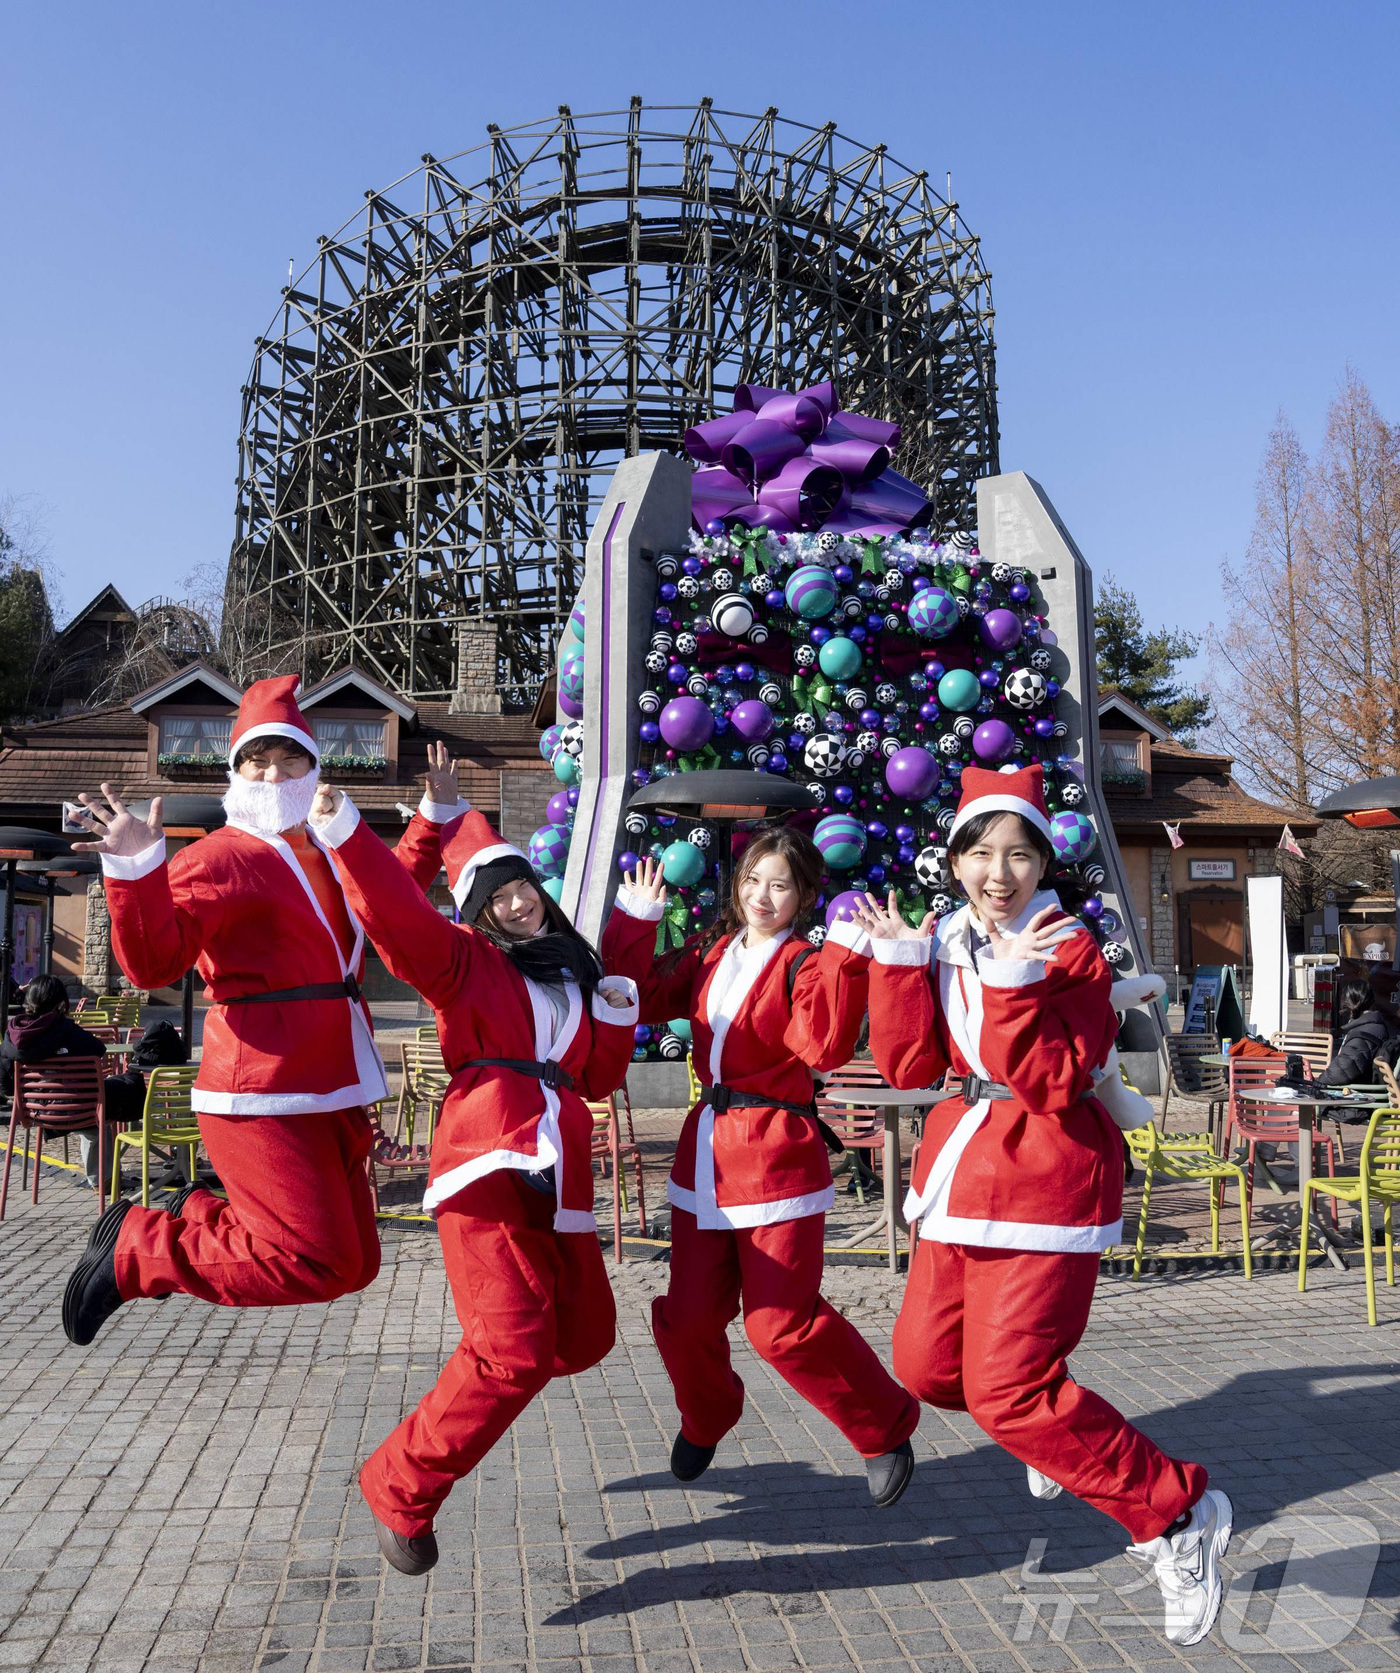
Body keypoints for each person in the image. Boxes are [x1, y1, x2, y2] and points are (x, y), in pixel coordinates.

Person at [852, 762, 1231, 1649]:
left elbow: (1056, 1081)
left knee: (1010, 1391)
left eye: (1020, 853)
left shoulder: (1069, 948)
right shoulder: (946, 935)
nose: (1000, 871)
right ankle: (1055, 1443)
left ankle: (1176, 1515)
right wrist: (902, 961)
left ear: (1043, 863)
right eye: (981, 852)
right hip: (957, 1180)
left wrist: (1019, 988)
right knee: (925, 1369)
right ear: (954, 861)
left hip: (1045, 1180)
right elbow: (910, 1069)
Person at [60, 676, 465, 1347]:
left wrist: (434, 811)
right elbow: (153, 964)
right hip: (262, 1090)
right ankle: (141, 1247)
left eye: (290, 758)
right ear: (237, 771)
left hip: (333, 1082)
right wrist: (135, 868)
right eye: (258, 759)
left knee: (357, 1262)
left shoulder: (329, 849)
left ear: (313, 765)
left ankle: (186, 1208)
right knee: (319, 1260)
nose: (274, 772)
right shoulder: (219, 856)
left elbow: (391, 889)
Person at [305, 787, 639, 1575]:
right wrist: (351, 831)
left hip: (556, 1169)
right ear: (478, 913)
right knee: (514, 1349)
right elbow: (394, 915)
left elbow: (595, 1076)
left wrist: (619, 991)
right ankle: (400, 1482)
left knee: (584, 1334)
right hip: (487, 1159)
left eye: (524, 885)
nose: (519, 900)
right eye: (500, 895)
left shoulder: (567, 973)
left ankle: (496, 1363)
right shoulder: (465, 961)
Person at [601, 830, 921, 1506]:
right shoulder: (714, 951)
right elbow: (639, 995)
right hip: (707, 1154)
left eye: (779, 883)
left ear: (805, 894)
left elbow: (822, 1044)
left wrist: (844, 957)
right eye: (752, 879)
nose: (761, 895)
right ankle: (710, 1415)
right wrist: (635, 922)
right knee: (687, 1319)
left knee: (778, 1324)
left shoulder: (806, 962)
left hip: (776, 1155)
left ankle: (883, 1426)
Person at [0, 974, 145, 1189]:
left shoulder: (12, 1034)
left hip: (34, 1111)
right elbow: (99, 1050)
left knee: (99, 1109)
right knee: (117, 1094)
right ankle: (103, 1180)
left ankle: (101, 1178)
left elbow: (4, 1084)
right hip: (80, 1110)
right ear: (60, 1004)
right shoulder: (67, 1030)